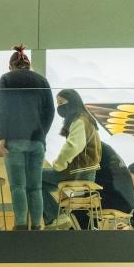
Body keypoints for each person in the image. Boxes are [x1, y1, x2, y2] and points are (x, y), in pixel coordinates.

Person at [0, 44, 55, 230]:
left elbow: (2, 109)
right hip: (37, 142)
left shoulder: (6, 79)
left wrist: (2, 136)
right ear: (28, 64)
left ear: (11, 66)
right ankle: (36, 225)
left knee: (18, 186)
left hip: (14, 140)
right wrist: (41, 133)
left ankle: (21, 225)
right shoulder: (42, 81)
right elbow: (50, 111)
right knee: (35, 187)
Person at [41, 88, 102, 227]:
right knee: (37, 183)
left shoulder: (80, 121)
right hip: (85, 172)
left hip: (78, 173)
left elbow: (72, 147)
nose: (59, 107)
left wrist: (57, 165)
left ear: (72, 102)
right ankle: (56, 217)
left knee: (31, 178)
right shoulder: (86, 119)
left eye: (61, 102)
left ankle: (56, 217)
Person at [95, 142, 134, 216]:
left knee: (79, 211)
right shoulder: (104, 147)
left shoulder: (94, 148)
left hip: (117, 201)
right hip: (125, 201)